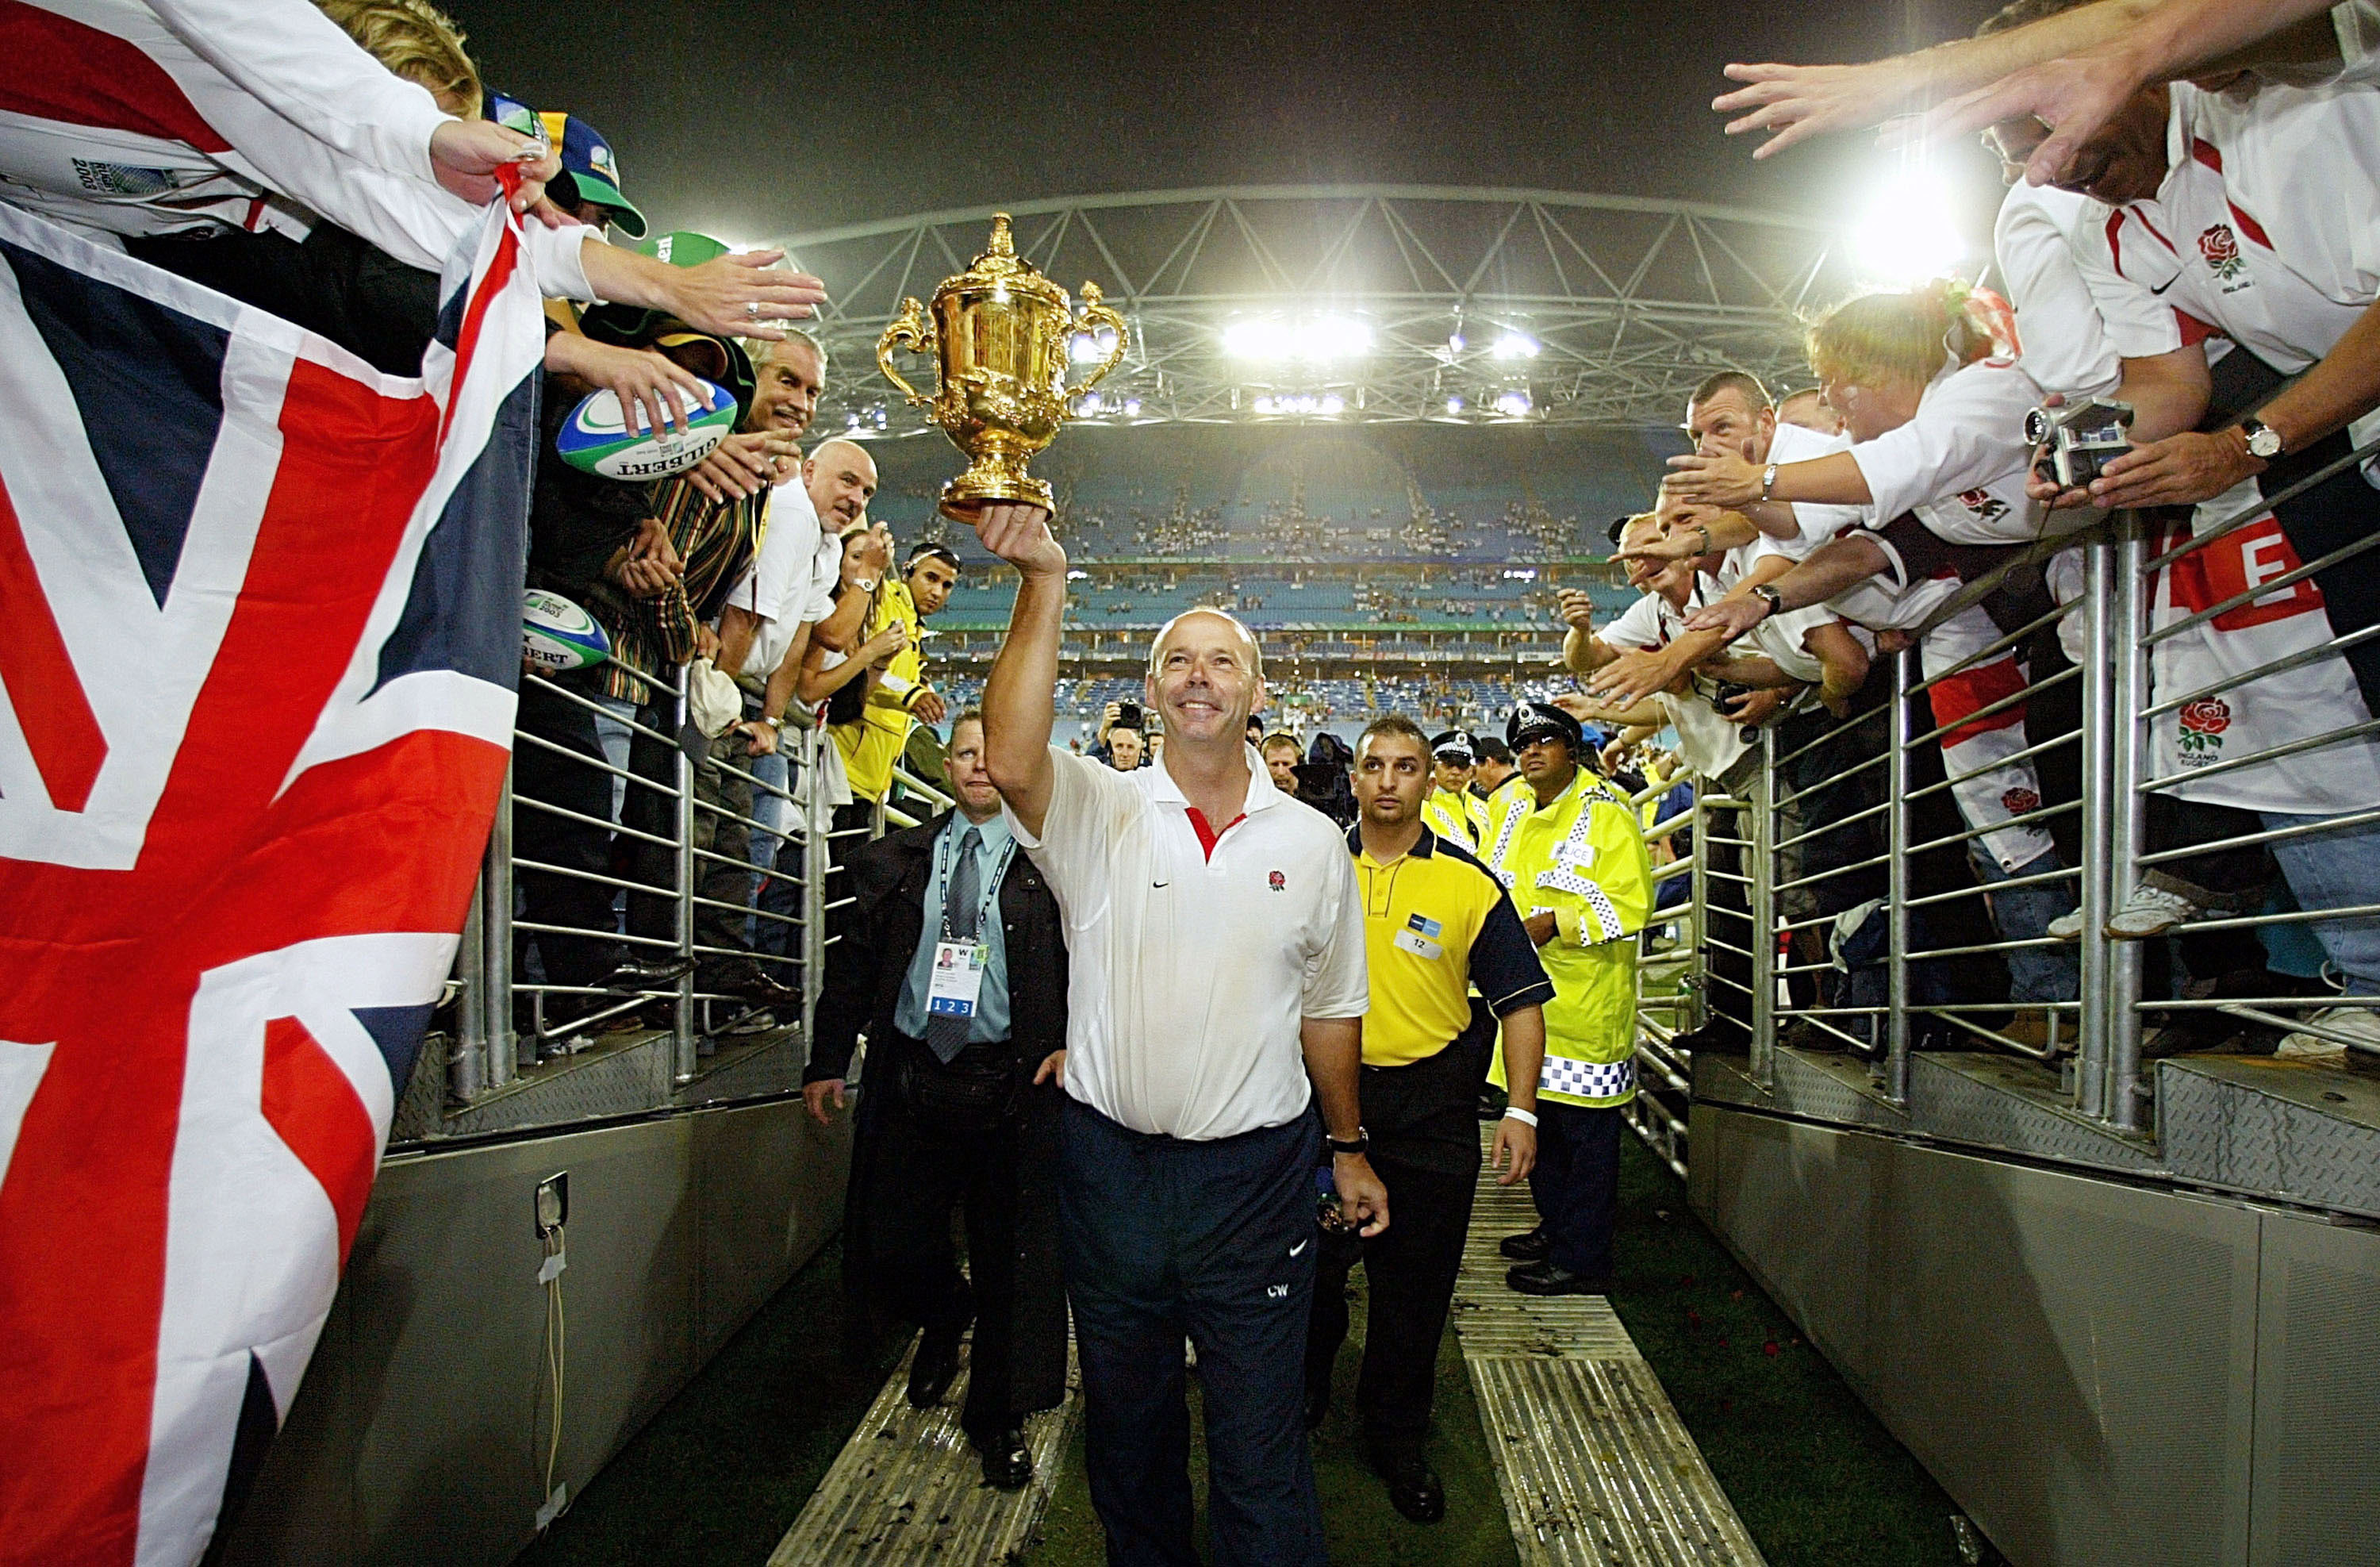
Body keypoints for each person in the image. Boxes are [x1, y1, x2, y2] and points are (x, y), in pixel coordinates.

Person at [973, 500, 1384, 1567]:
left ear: (1253, 692)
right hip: (1110, 1171)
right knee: (1127, 1420)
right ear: (1153, 690)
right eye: (1177, 661)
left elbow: (1329, 1009)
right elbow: (1013, 756)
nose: (1200, 674)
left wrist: (1349, 1149)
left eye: (1222, 661)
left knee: (1258, 1435)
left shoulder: (1313, 841)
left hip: (1256, 1179)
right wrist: (1045, 578)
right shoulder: (1100, 810)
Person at [804, 712, 1071, 1490]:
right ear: (947, 765)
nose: (980, 765)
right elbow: (854, 969)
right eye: (964, 752)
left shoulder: (1052, 865)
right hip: (916, 1078)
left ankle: (997, 1416)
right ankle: (944, 1316)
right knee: (892, 1244)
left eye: (994, 752)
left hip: (1012, 1087)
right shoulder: (899, 860)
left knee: (1009, 1267)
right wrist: (828, 1059)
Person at [1307, 716, 1551, 1524]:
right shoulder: (1307, 868)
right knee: (1307, 1276)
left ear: (1425, 780)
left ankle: (1396, 1434)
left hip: (1430, 1112)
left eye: (1405, 767)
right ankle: (1304, 1392)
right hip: (1312, 1106)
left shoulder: (1470, 883)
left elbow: (1519, 1001)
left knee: (1414, 1292)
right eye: (1372, 764)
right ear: (1355, 776)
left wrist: (1519, 1107)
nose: (1386, 781)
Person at [1482, 701, 1653, 1296]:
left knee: (1585, 1146)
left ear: (1572, 748)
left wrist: (1558, 923)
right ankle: (1556, 1228)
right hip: (1527, 1007)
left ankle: (1583, 1258)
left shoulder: (1609, 811)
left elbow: (1631, 905)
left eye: (1544, 740)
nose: (1531, 751)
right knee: (1542, 1129)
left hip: (1585, 1009)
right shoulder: (1508, 807)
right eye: (1522, 742)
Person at [1422, 731, 1488, 851]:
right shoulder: (1422, 805)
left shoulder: (1480, 806)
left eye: (1462, 765)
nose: (1456, 772)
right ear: (1434, 766)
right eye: (1448, 764)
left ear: (1471, 770)